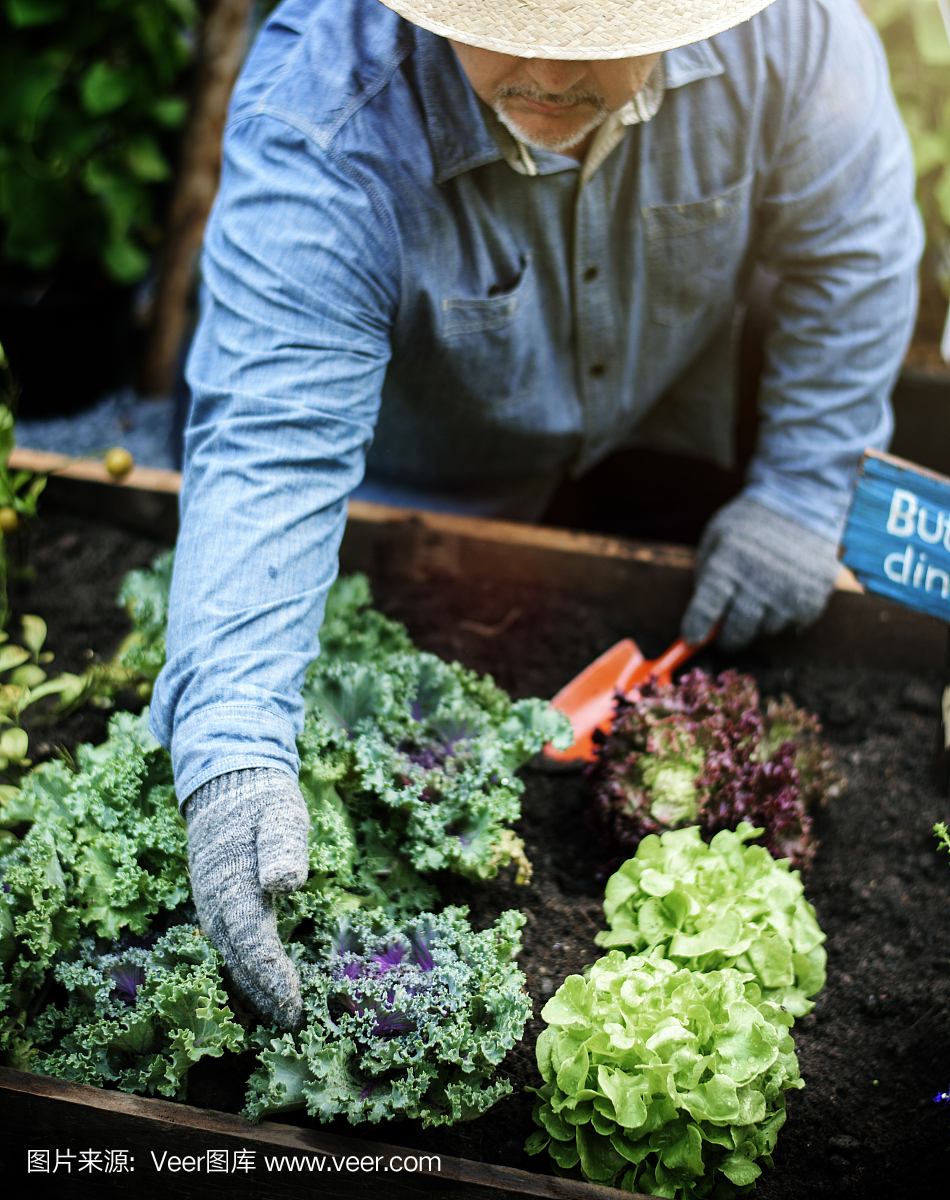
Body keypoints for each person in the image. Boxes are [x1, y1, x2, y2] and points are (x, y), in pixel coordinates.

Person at [151, 0, 921, 1028]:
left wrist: (799, 489)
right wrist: (234, 748)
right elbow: (271, 443)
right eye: (507, 25)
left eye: (592, 41)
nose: (546, 73)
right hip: (420, 488)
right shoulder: (326, 112)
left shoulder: (789, 39)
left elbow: (852, 260)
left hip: (660, 432)